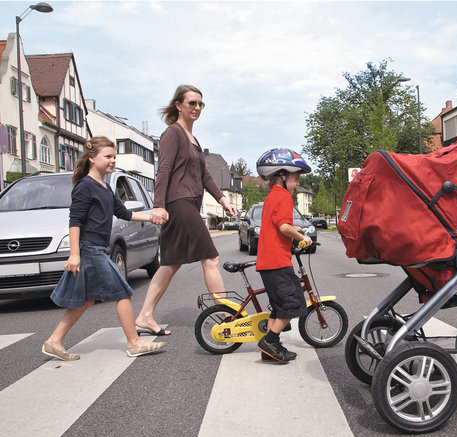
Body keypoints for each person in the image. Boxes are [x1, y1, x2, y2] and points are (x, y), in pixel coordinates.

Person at [43, 137, 166, 361]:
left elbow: (124, 213)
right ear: (92, 158)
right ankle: (134, 342)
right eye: (107, 157)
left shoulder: (106, 188)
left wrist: (152, 218)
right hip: (90, 250)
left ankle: (54, 341)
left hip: (98, 248)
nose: (112, 161)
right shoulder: (84, 187)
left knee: (87, 299)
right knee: (123, 292)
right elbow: (75, 221)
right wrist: (74, 254)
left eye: (114, 157)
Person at [134, 85, 237, 335]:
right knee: (211, 258)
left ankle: (145, 315)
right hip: (178, 203)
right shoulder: (173, 133)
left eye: (201, 104)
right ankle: (225, 317)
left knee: (170, 263)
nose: (197, 108)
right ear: (178, 105)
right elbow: (164, 170)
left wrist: (223, 199)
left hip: (189, 202)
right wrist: (159, 204)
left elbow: (204, 175)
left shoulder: (193, 140)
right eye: (192, 103)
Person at [254, 148, 312, 363]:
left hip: (267, 263)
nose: (297, 185)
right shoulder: (283, 196)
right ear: (282, 175)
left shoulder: (271, 197)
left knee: (278, 307)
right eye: (295, 179)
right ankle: (270, 340)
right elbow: (284, 227)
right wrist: (302, 237)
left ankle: (271, 350)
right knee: (292, 304)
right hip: (278, 262)